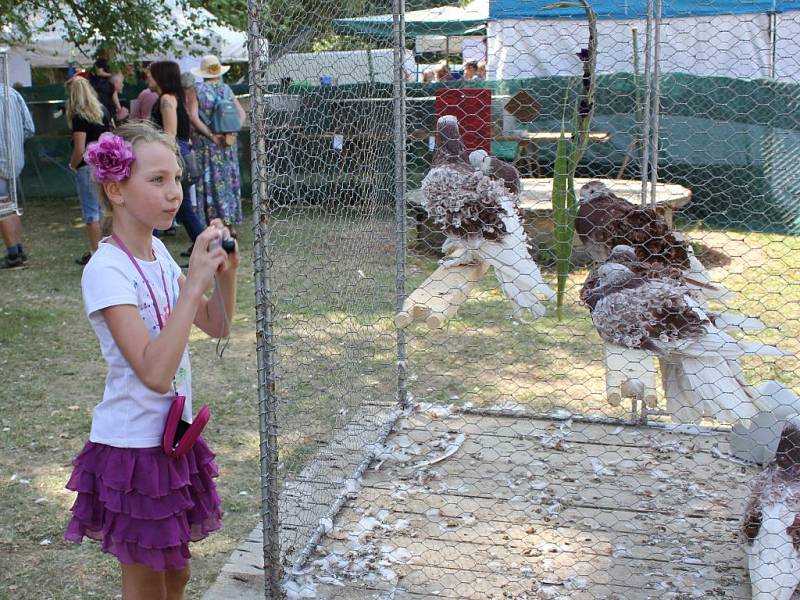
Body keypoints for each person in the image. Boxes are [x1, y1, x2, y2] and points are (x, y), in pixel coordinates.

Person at [64, 120, 237, 598]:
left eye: (176, 179)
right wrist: (195, 283)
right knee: (146, 582)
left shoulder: (158, 251)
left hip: (172, 440)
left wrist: (224, 274)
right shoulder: (107, 270)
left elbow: (216, 325)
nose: (174, 193)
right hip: (132, 450)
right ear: (116, 189)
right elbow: (156, 372)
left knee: (177, 572)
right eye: (157, 180)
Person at [149, 60, 206, 245]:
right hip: (177, 154)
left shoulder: (167, 99)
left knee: (158, 206)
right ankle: (207, 247)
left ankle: (150, 249)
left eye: (150, 74)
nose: (147, 78)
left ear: (160, 77)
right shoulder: (173, 98)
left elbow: (170, 134)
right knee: (184, 210)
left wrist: (162, 164)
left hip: (173, 155)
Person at [190, 54, 246, 237]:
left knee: (209, 182)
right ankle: (230, 224)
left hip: (207, 145)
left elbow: (193, 116)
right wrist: (231, 133)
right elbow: (241, 114)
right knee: (228, 182)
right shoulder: (226, 89)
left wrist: (211, 135)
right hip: (227, 145)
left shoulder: (197, 89)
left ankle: (212, 222)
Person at [66, 76, 113, 264]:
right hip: (105, 164)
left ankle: (97, 254)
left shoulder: (79, 116)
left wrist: (73, 164)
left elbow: (80, 149)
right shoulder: (102, 110)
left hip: (88, 167)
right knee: (104, 210)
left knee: (90, 213)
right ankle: (108, 250)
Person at [0, 81, 34, 270]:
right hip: (15, 161)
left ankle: (14, 256)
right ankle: (18, 250)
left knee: (3, 209)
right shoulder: (13, 94)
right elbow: (29, 128)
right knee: (11, 207)